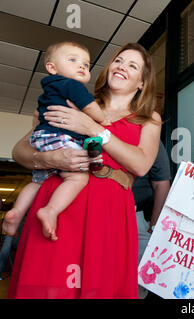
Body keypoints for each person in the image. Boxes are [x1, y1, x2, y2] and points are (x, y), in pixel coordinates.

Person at [8, 42, 161, 299]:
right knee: (48, 285)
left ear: (142, 83)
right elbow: (19, 152)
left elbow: (141, 164)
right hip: (59, 205)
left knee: (98, 288)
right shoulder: (73, 97)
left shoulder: (149, 118)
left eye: (132, 65)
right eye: (118, 60)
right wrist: (49, 157)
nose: (122, 67)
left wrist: (94, 129)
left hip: (109, 211)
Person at [2, 41, 108, 241]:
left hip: (42, 137)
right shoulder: (72, 85)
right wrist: (102, 119)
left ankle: (16, 213)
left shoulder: (50, 90)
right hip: (59, 136)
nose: (81, 66)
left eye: (86, 64)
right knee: (77, 178)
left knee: (38, 181)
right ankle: (50, 210)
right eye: (73, 60)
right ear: (51, 67)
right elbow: (92, 110)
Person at [132, 140, 171, 299]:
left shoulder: (147, 136)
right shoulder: (94, 129)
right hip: (100, 217)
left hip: (137, 216)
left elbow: (161, 184)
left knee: (138, 285)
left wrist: (154, 227)